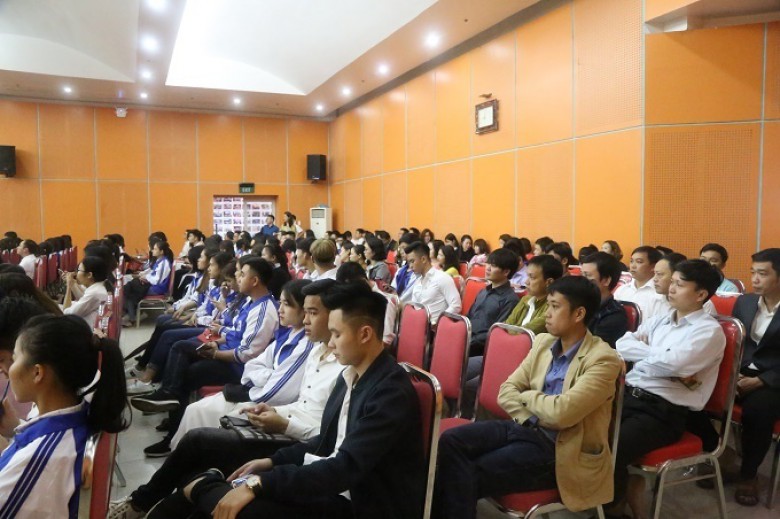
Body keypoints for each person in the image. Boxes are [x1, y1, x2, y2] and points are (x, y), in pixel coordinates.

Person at [164, 282, 425, 519]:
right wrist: (272, 462)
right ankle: (199, 487)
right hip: (333, 483)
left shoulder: (389, 393)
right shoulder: (350, 376)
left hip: (360, 502)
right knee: (217, 497)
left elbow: (345, 468)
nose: (331, 344)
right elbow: (326, 442)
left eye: (336, 335)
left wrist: (262, 483)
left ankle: (202, 486)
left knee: (233, 503)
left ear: (365, 334)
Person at [109, 280, 344, 519]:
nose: (306, 319)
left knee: (199, 441)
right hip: (282, 419)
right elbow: (271, 378)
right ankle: (152, 501)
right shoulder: (317, 350)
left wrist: (284, 424)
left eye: (312, 313)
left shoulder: (343, 370)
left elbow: (327, 438)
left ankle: (143, 502)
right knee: (198, 453)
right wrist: (275, 412)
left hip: (295, 437)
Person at [433, 276, 622, 519]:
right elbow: (506, 391)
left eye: (555, 306)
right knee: (450, 441)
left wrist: (528, 396)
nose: (548, 314)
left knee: (467, 471)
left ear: (579, 314)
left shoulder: (603, 359)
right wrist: (533, 414)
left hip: (561, 450)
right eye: (548, 305)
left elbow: (562, 414)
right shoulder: (543, 342)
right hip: (525, 426)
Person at [610, 260, 725, 519]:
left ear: (700, 294)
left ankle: (613, 508)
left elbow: (675, 365)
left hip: (663, 412)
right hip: (628, 395)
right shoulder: (661, 319)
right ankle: (617, 492)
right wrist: (659, 355)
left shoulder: (708, 331)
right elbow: (622, 344)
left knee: (612, 445)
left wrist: (648, 355)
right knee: (582, 429)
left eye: (679, 285)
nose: (671, 288)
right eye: (672, 282)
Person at [132, 256, 280, 457]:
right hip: (226, 353)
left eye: (242, 274)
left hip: (238, 368)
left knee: (185, 365)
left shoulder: (264, 310)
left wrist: (216, 353)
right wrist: (216, 343)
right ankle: (173, 415)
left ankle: (172, 421)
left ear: (254, 281)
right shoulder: (250, 303)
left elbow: (246, 353)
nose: (237, 277)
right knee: (182, 359)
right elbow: (235, 333)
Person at [0, 315, 129, 517]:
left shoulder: (39, 459)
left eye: (14, 359)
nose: (6, 370)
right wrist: (13, 430)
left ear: (37, 373)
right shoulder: (80, 414)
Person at [168, 280, 314, 448]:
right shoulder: (288, 333)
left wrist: (261, 378)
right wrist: (269, 376)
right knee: (193, 406)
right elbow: (253, 365)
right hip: (252, 388)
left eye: (286, 305)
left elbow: (273, 393)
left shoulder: (304, 343)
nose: (280, 309)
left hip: (262, 402)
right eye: (280, 303)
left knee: (197, 409)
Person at [692, 248, 780, 506]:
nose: (755, 279)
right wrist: (734, 372)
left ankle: (749, 474)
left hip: (773, 380)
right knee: (692, 392)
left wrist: (763, 380)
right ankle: (721, 453)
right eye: (753, 272)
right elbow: (737, 345)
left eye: (762, 274)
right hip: (741, 372)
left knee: (758, 410)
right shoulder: (746, 302)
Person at [337, 262, 399, 347]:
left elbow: (386, 341)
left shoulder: (385, 301)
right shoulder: (354, 298)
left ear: (362, 281)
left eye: (352, 289)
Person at [580, 252, 628, 348]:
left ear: (606, 280)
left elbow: (593, 348)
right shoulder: (579, 304)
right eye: (582, 275)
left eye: (587, 276)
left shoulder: (614, 316)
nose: (581, 281)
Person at [407, 241, 461, 324]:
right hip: (418, 324)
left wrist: (438, 322)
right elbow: (415, 307)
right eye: (409, 262)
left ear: (423, 259)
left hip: (434, 327)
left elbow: (456, 305)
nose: (410, 266)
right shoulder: (417, 282)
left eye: (412, 261)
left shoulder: (442, 278)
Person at [504, 255, 564, 332]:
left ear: (549, 282)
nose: (526, 282)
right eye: (527, 276)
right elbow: (507, 325)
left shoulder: (553, 307)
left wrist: (506, 335)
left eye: (532, 277)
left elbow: (526, 333)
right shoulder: (526, 299)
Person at [122, 240, 173, 326]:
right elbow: (152, 273)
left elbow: (157, 281)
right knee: (129, 289)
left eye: (155, 249)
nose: (152, 250)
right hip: (150, 284)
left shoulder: (164, 263)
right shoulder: (159, 261)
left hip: (156, 288)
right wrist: (144, 277)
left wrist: (145, 278)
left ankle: (129, 315)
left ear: (161, 251)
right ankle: (131, 316)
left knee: (128, 288)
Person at [613, 246, 665, 320]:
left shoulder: (659, 294)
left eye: (639, 262)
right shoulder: (622, 290)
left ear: (653, 266)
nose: (633, 266)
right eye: (631, 261)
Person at [62, 256, 110, 327]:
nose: (76, 273)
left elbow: (67, 314)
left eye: (79, 270)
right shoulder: (97, 288)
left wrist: (69, 287)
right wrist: (72, 284)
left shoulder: (94, 293)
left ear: (89, 275)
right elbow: (82, 297)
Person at [391, 232, 420, 304]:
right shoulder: (401, 270)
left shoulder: (418, 272)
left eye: (404, 248)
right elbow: (394, 289)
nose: (401, 251)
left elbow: (407, 297)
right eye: (400, 248)